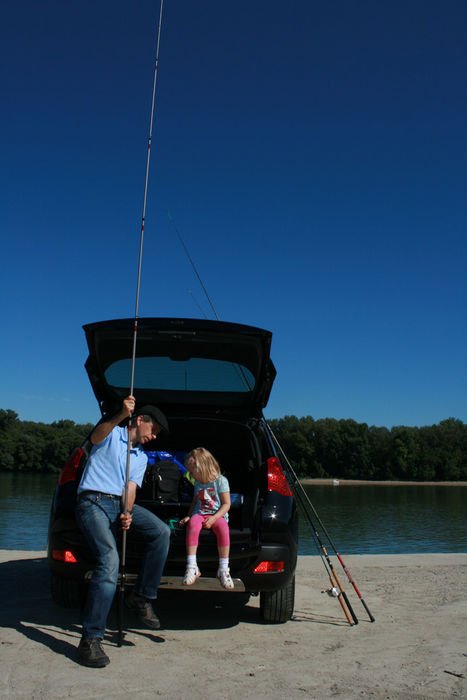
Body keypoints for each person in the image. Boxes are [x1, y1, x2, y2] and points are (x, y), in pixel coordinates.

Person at [75, 395, 170, 668]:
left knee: (161, 532)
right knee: (110, 561)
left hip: (118, 502)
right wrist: (120, 413)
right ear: (140, 420)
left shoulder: (140, 457)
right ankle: (90, 639)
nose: (154, 437)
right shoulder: (112, 433)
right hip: (92, 502)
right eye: (154, 431)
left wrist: (127, 513)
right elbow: (94, 438)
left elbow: (130, 489)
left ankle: (141, 596)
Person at [179, 447, 234, 590]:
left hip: (217, 514)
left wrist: (215, 518)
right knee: (193, 525)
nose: (190, 474)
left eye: (192, 471)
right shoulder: (197, 483)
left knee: (223, 528)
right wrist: (189, 516)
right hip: (200, 513)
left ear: (202, 466)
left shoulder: (221, 481)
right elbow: (194, 502)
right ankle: (192, 566)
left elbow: (227, 504)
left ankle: (223, 569)